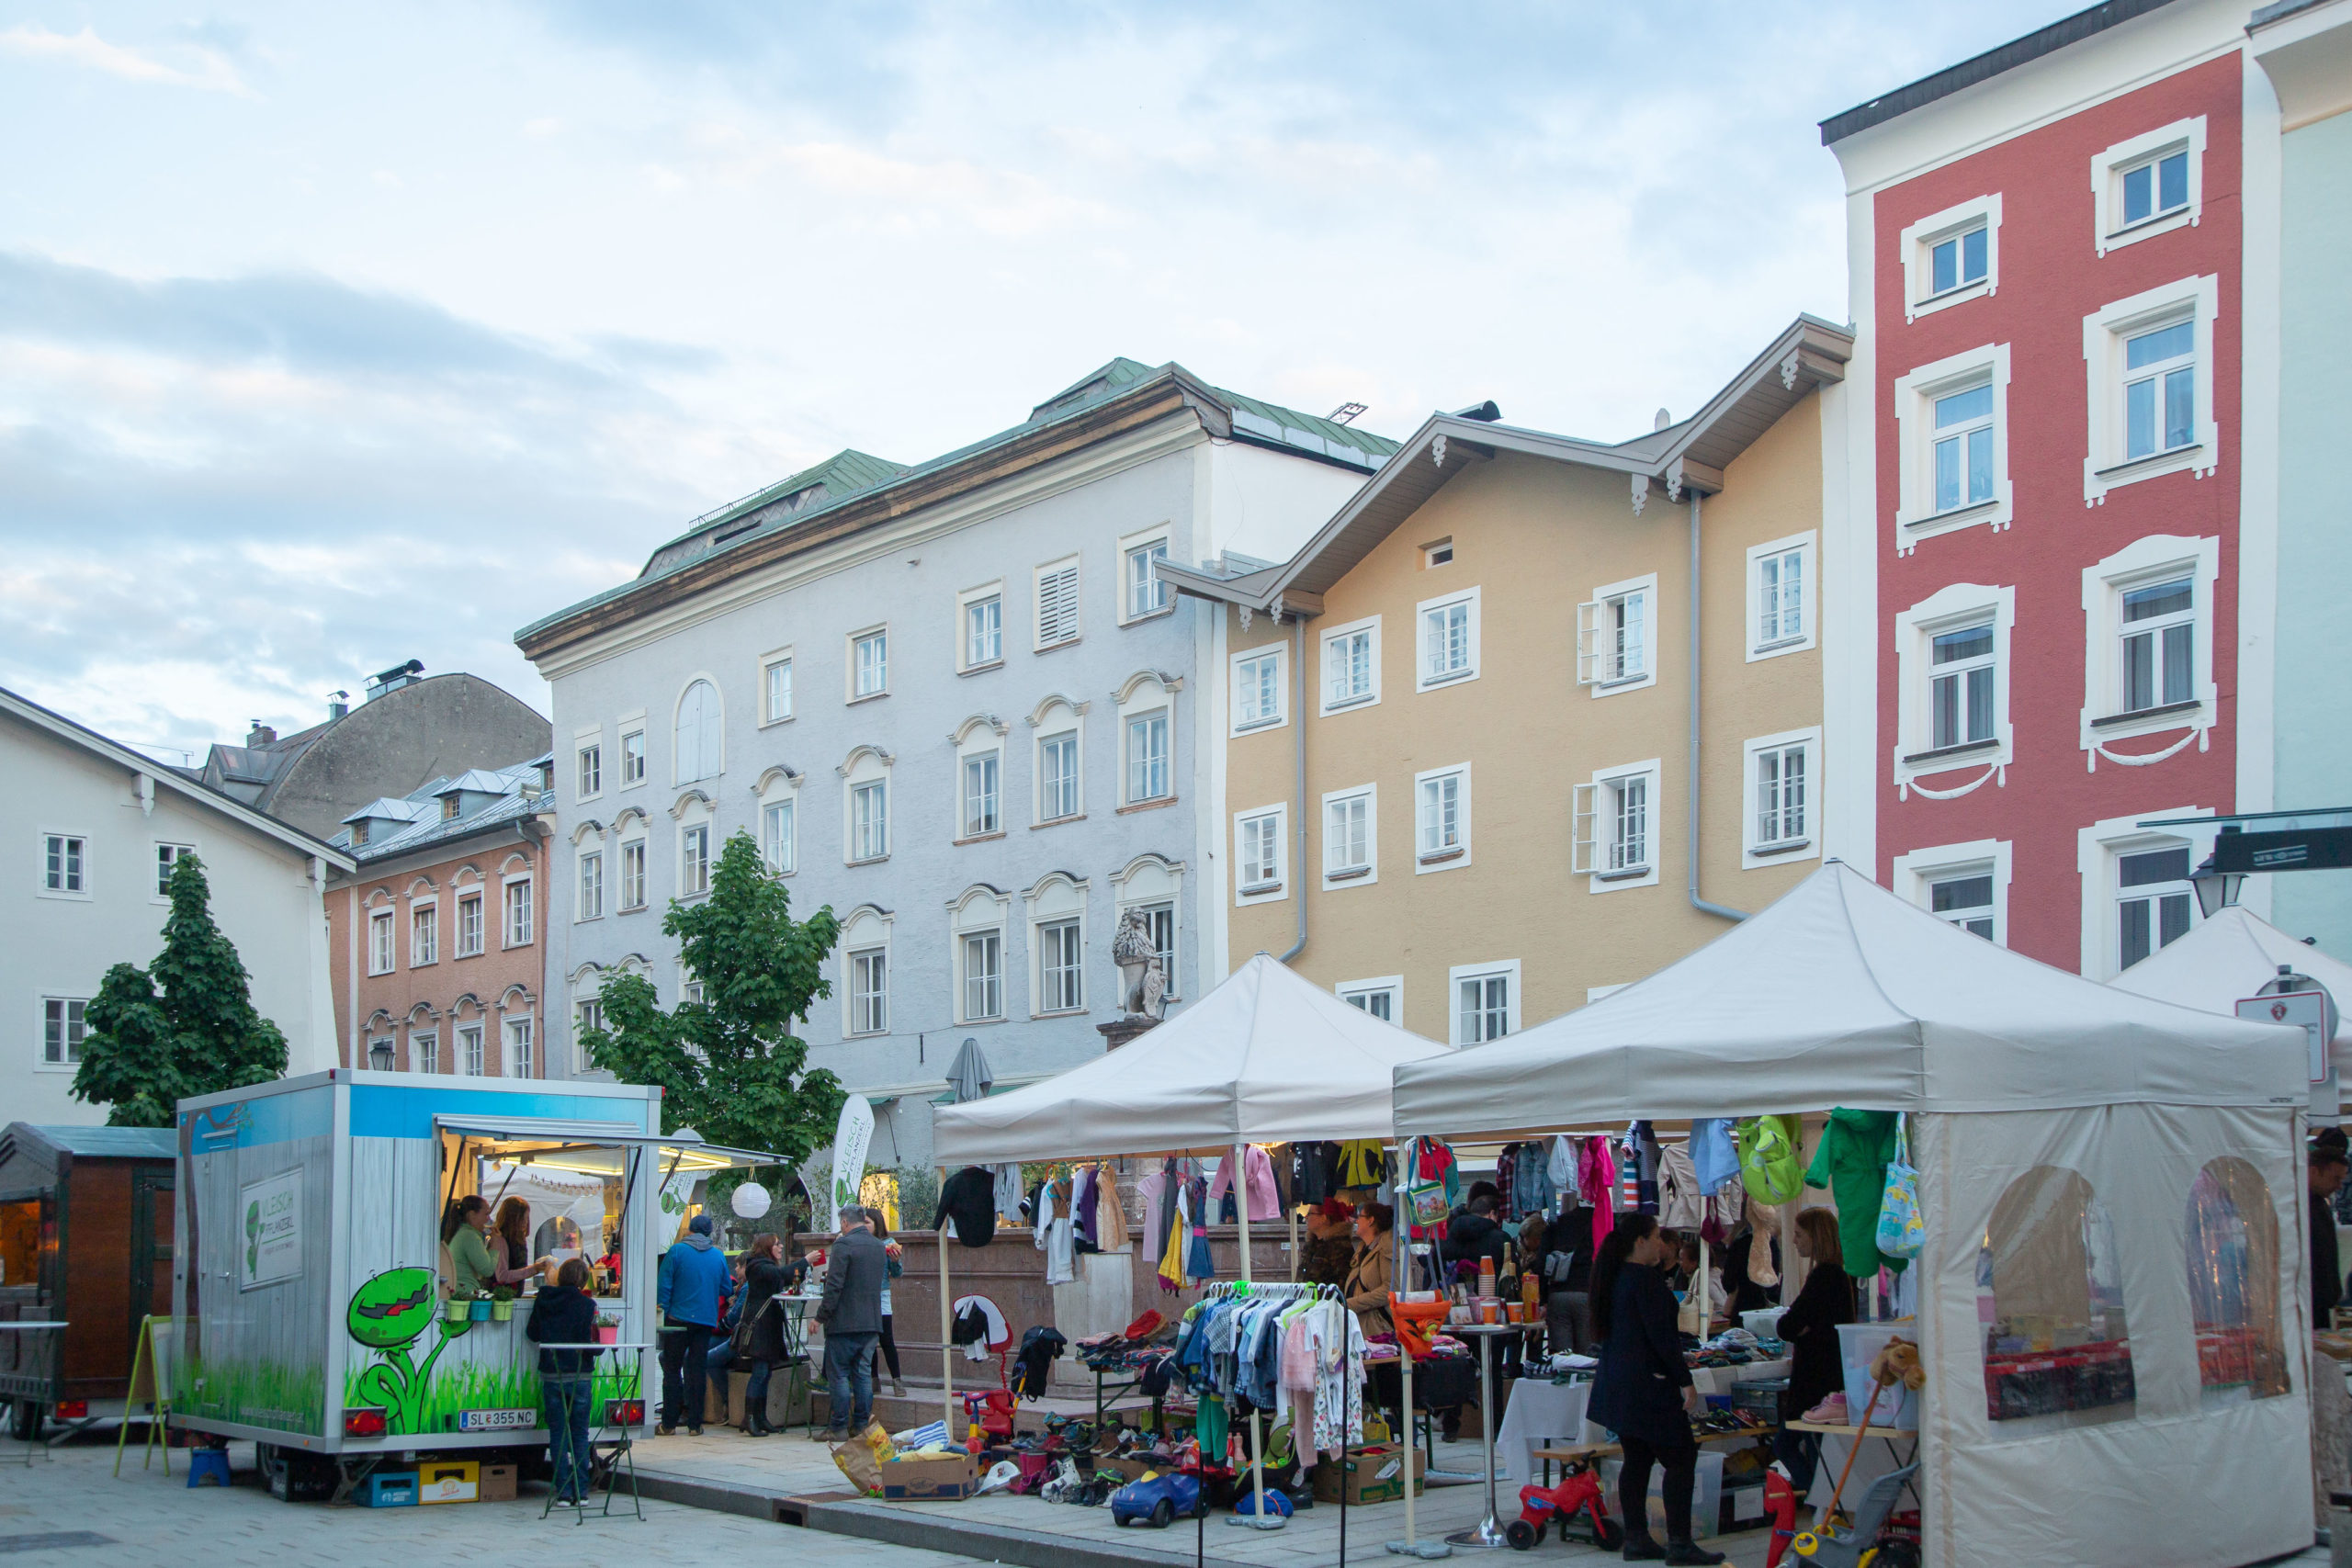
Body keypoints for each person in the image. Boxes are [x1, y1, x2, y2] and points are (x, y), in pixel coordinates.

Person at [1588, 1213, 1723, 1564]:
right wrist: (1684, 1379)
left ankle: (1637, 1537)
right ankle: (1679, 1543)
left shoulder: (1615, 1277)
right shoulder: (1644, 1280)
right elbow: (1661, 1338)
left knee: (1638, 1457)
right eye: (1657, 1237)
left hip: (1621, 1382)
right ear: (1642, 1241)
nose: (1663, 1244)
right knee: (1680, 1456)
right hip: (1648, 1384)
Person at [1771, 1209, 1856, 1503]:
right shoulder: (1843, 1274)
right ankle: (1825, 1503)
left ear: (1815, 1236)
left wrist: (1802, 1328)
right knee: (1814, 1447)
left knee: (1791, 1443)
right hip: (1832, 1377)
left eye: (1798, 1234)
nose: (1794, 1241)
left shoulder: (1824, 1276)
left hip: (1815, 1382)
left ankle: (1823, 1502)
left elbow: (1787, 1325)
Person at [526, 1258, 602, 1506]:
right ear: (582, 1281)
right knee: (579, 1433)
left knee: (557, 1433)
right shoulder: (587, 1305)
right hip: (580, 1375)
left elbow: (532, 1334)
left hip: (552, 1373)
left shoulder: (544, 1299)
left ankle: (563, 1491)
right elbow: (593, 1347)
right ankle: (581, 1492)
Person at [814, 1205, 887, 1441]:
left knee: (840, 1375)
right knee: (863, 1375)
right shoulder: (878, 1246)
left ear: (844, 1222)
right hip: (872, 1321)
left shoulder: (843, 1245)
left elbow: (834, 1286)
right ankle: (861, 1425)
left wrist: (820, 1317)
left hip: (844, 1322)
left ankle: (838, 1427)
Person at [656, 1213, 729, 1436]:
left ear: (690, 1230)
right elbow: (726, 1288)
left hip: (677, 1320)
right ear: (708, 1233)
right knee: (697, 1371)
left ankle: (668, 1423)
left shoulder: (677, 1251)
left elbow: (664, 1286)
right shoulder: (717, 1256)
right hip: (706, 1321)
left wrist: (664, 1311)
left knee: (672, 1370)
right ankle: (695, 1425)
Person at [730, 1233, 792, 1436]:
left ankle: (760, 1417)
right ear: (767, 1248)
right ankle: (749, 1419)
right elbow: (779, 1276)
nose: (781, 1246)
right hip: (759, 1327)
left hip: (768, 1325)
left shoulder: (765, 1265)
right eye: (777, 1244)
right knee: (759, 1373)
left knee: (765, 1373)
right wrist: (805, 1261)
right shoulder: (759, 1266)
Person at [865, 1212, 908, 1399]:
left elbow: (897, 1273)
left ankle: (897, 1380)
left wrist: (895, 1261)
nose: (864, 1225)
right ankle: (874, 1379)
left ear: (877, 1224)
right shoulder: (860, 1242)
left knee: (887, 1339)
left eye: (867, 1222)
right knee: (869, 1340)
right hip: (864, 1296)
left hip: (881, 1294)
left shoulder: (888, 1243)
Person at [2313, 1128, 2349, 1324]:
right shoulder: (2306, 1206)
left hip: (2323, 1301)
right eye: (2336, 1179)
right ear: (2314, 1171)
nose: (2339, 1186)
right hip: (2313, 1300)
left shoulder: (2320, 1203)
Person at [1344, 1202, 1396, 1337]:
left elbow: (1389, 1290)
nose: (1356, 1220)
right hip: (1360, 1325)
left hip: (1377, 1329)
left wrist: (1351, 1303)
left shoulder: (1386, 1248)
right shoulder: (1363, 1248)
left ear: (1371, 1221)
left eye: (1359, 1216)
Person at [1300, 1201, 1358, 1291]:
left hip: (1326, 1302)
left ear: (1323, 1218)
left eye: (1310, 1213)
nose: (1306, 1217)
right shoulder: (1311, 1244)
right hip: (1306, 1301)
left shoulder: (1340, 1247)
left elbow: (1343, 1282)